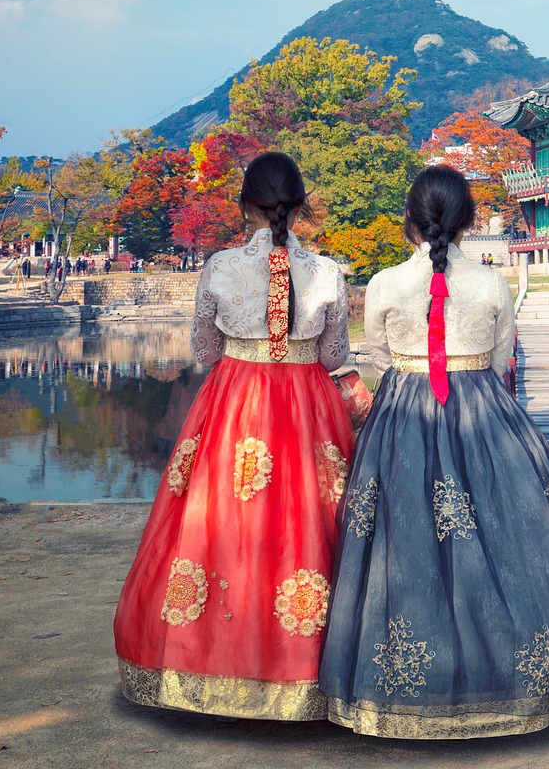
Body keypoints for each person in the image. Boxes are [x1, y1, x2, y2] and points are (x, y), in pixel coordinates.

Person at [321, 165, 549, 738]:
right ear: (469, 221)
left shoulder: (381, 284)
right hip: (484, 415)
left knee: (399, 545)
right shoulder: (492, 283)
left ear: (410, 219)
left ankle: (400, 690)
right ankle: (511, 678)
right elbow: (502, 361)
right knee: (511, 537)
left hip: (402, 413)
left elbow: (377, 357)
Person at [113, 152, 354, 721]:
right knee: (309, 522)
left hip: (236, 404)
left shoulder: (219, 267)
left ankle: (206, 661)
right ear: (300, 207)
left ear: (244, 205)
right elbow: (334, 355)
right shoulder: (327, 271)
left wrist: (247, 353)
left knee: (217, 521)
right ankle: (309, 673)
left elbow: (203, 353)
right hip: (306, 405)